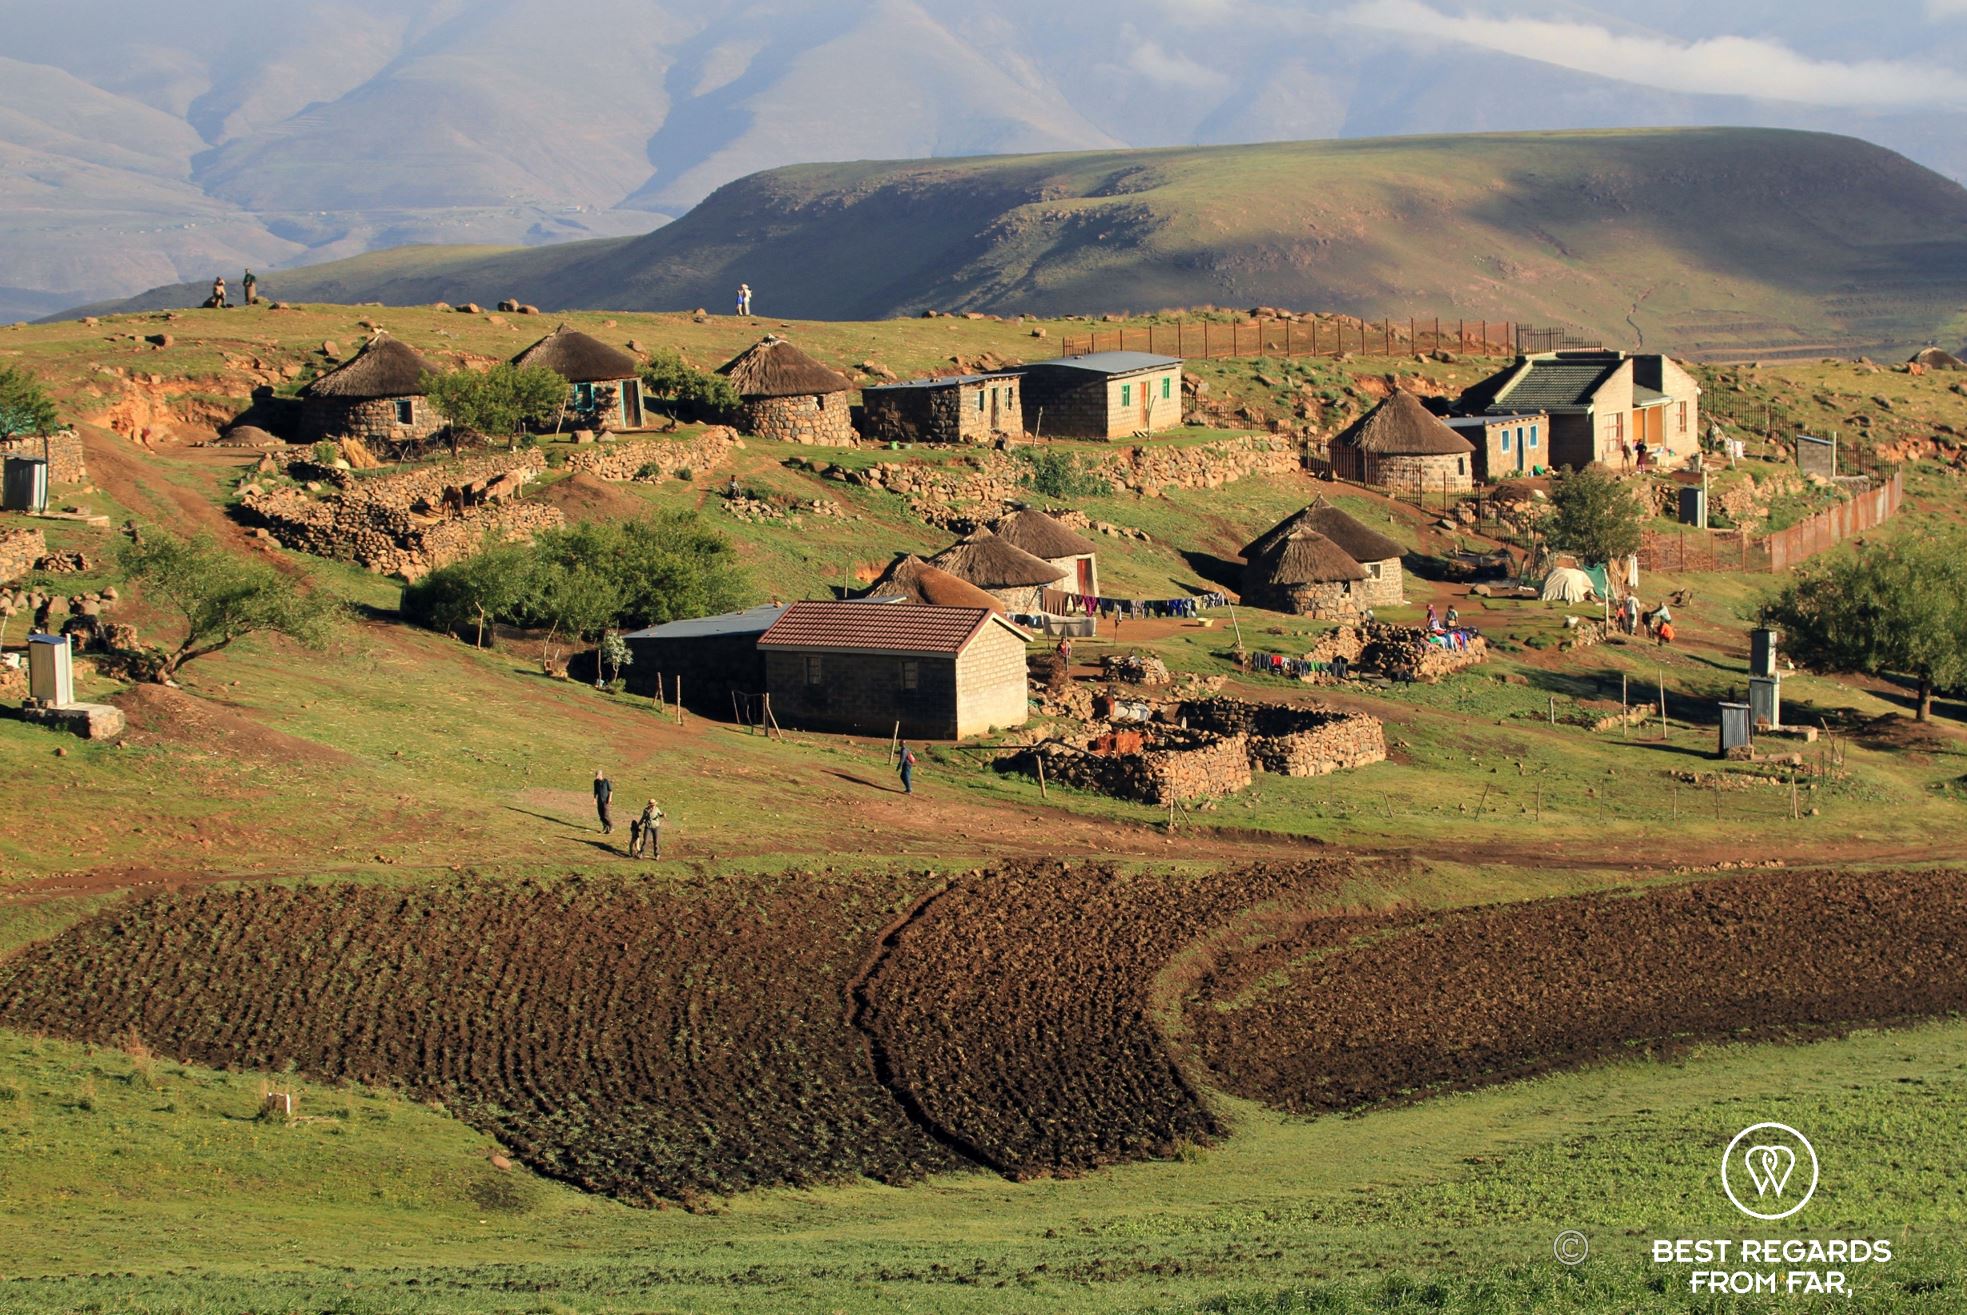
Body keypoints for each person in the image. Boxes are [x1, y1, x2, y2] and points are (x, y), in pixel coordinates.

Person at [593, 768, 614, 834]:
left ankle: (611, 827)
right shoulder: (595, 782)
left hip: (606, 801)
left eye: (597, 775)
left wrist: (609, 799)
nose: (596, 776)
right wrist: (594, 799)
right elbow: (595, 791)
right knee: (601, 816)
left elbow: (610, 790)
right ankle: (605, 827)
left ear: (601, 775)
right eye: (596, 775)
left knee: (605, 815)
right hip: (599, 801)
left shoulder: (606, 781)